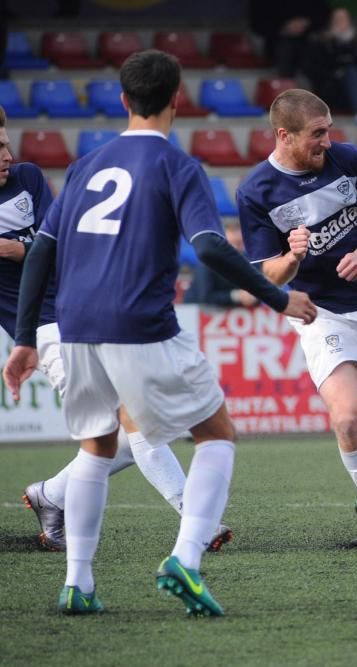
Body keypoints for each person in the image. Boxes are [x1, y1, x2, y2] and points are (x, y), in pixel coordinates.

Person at [2, 50, 316, 616]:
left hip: (73, 327)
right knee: (216, 433)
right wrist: (279, 296)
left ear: (123, 101)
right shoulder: (178, 166)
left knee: (96, 449)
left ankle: (79, 584)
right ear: (178, 100)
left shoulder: (84, 165)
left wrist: (24, 338)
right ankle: (186, 560)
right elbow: (210, 246)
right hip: (140, 324)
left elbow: (41, 253)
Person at [0, 104, 231, 555]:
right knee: (133, 420)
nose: (7, 154)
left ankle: (52, 495)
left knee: (122, 430)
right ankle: (194, 516)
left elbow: (58, 239)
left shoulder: (27, 178)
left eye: (5, 143)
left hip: (87, 311)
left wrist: (17, 248)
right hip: (47, 331)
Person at [237, 88, 357, 549]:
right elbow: (268, 272)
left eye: (329, 131)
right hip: (324, 315)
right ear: (284, 135)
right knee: (348, 419)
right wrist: (292, 257)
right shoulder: (255, 191)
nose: (327, 141)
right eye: (316, 134)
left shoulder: (349, 160)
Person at [304, 6, 357, 128]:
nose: (341, 21)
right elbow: (316, 69)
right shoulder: (320, 40)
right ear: (331, 20)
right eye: (337, 18)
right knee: (350, 71)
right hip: (333, 87)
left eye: (343, 18)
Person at [184, 223, 258, 307]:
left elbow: (262, 291)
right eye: (230, 244)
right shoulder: (207, 261)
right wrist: (236, 296)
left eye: (239, 244)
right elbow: (205, 297)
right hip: (193, 314)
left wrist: (254, 297)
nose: (235, 248)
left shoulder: (251, 262)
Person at [248, 0, 328, 79]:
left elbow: (323, 15)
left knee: (321, 50)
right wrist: (284, 28)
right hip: (276, 41)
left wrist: (305, 23)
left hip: (309, 38)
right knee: (285, 48)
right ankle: (286, 84)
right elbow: (257, 23)